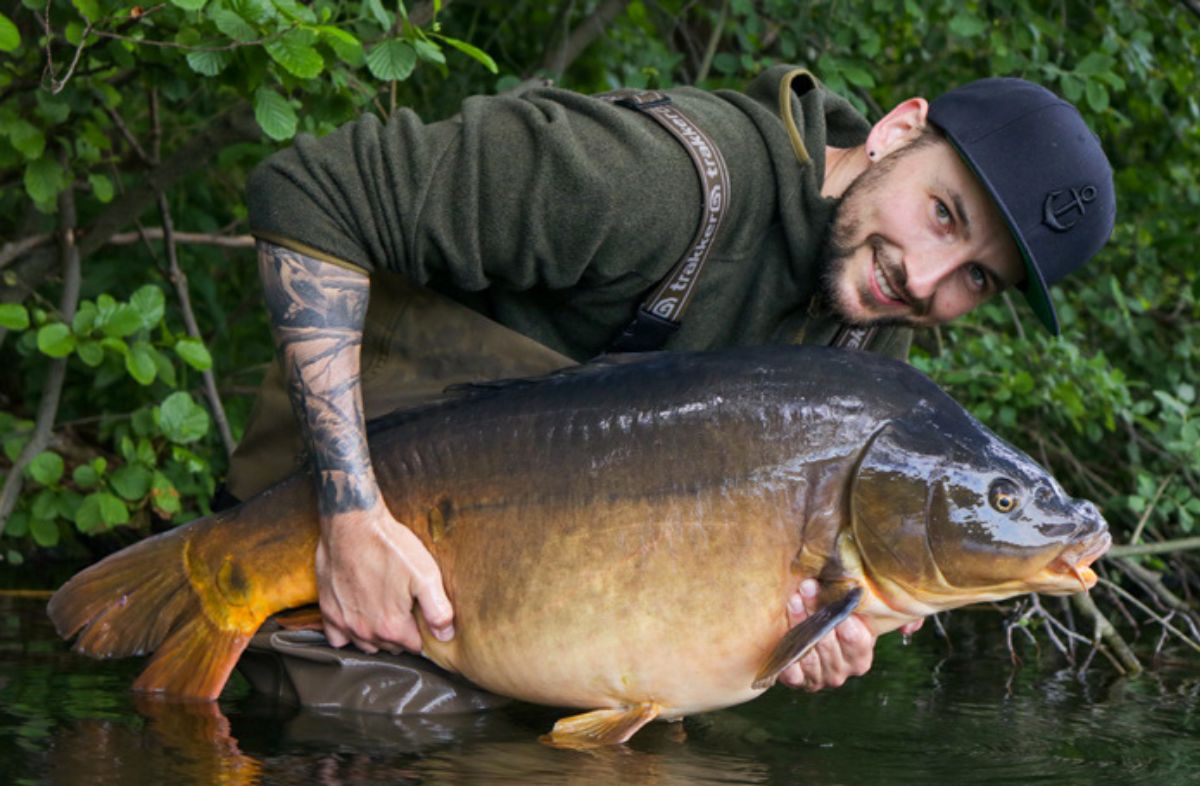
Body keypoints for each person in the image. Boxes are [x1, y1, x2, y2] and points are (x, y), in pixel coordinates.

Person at [228, 64, 1115, 694]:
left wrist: (798, 641)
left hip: (550, 634)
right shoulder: (660, 183)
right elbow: (313, 189)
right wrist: (350, 515)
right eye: (942, 214)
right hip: (341, 543)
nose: (925, 278)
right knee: (400, 732)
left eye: (976, 278)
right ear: (895, 131)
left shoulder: (870, 356)